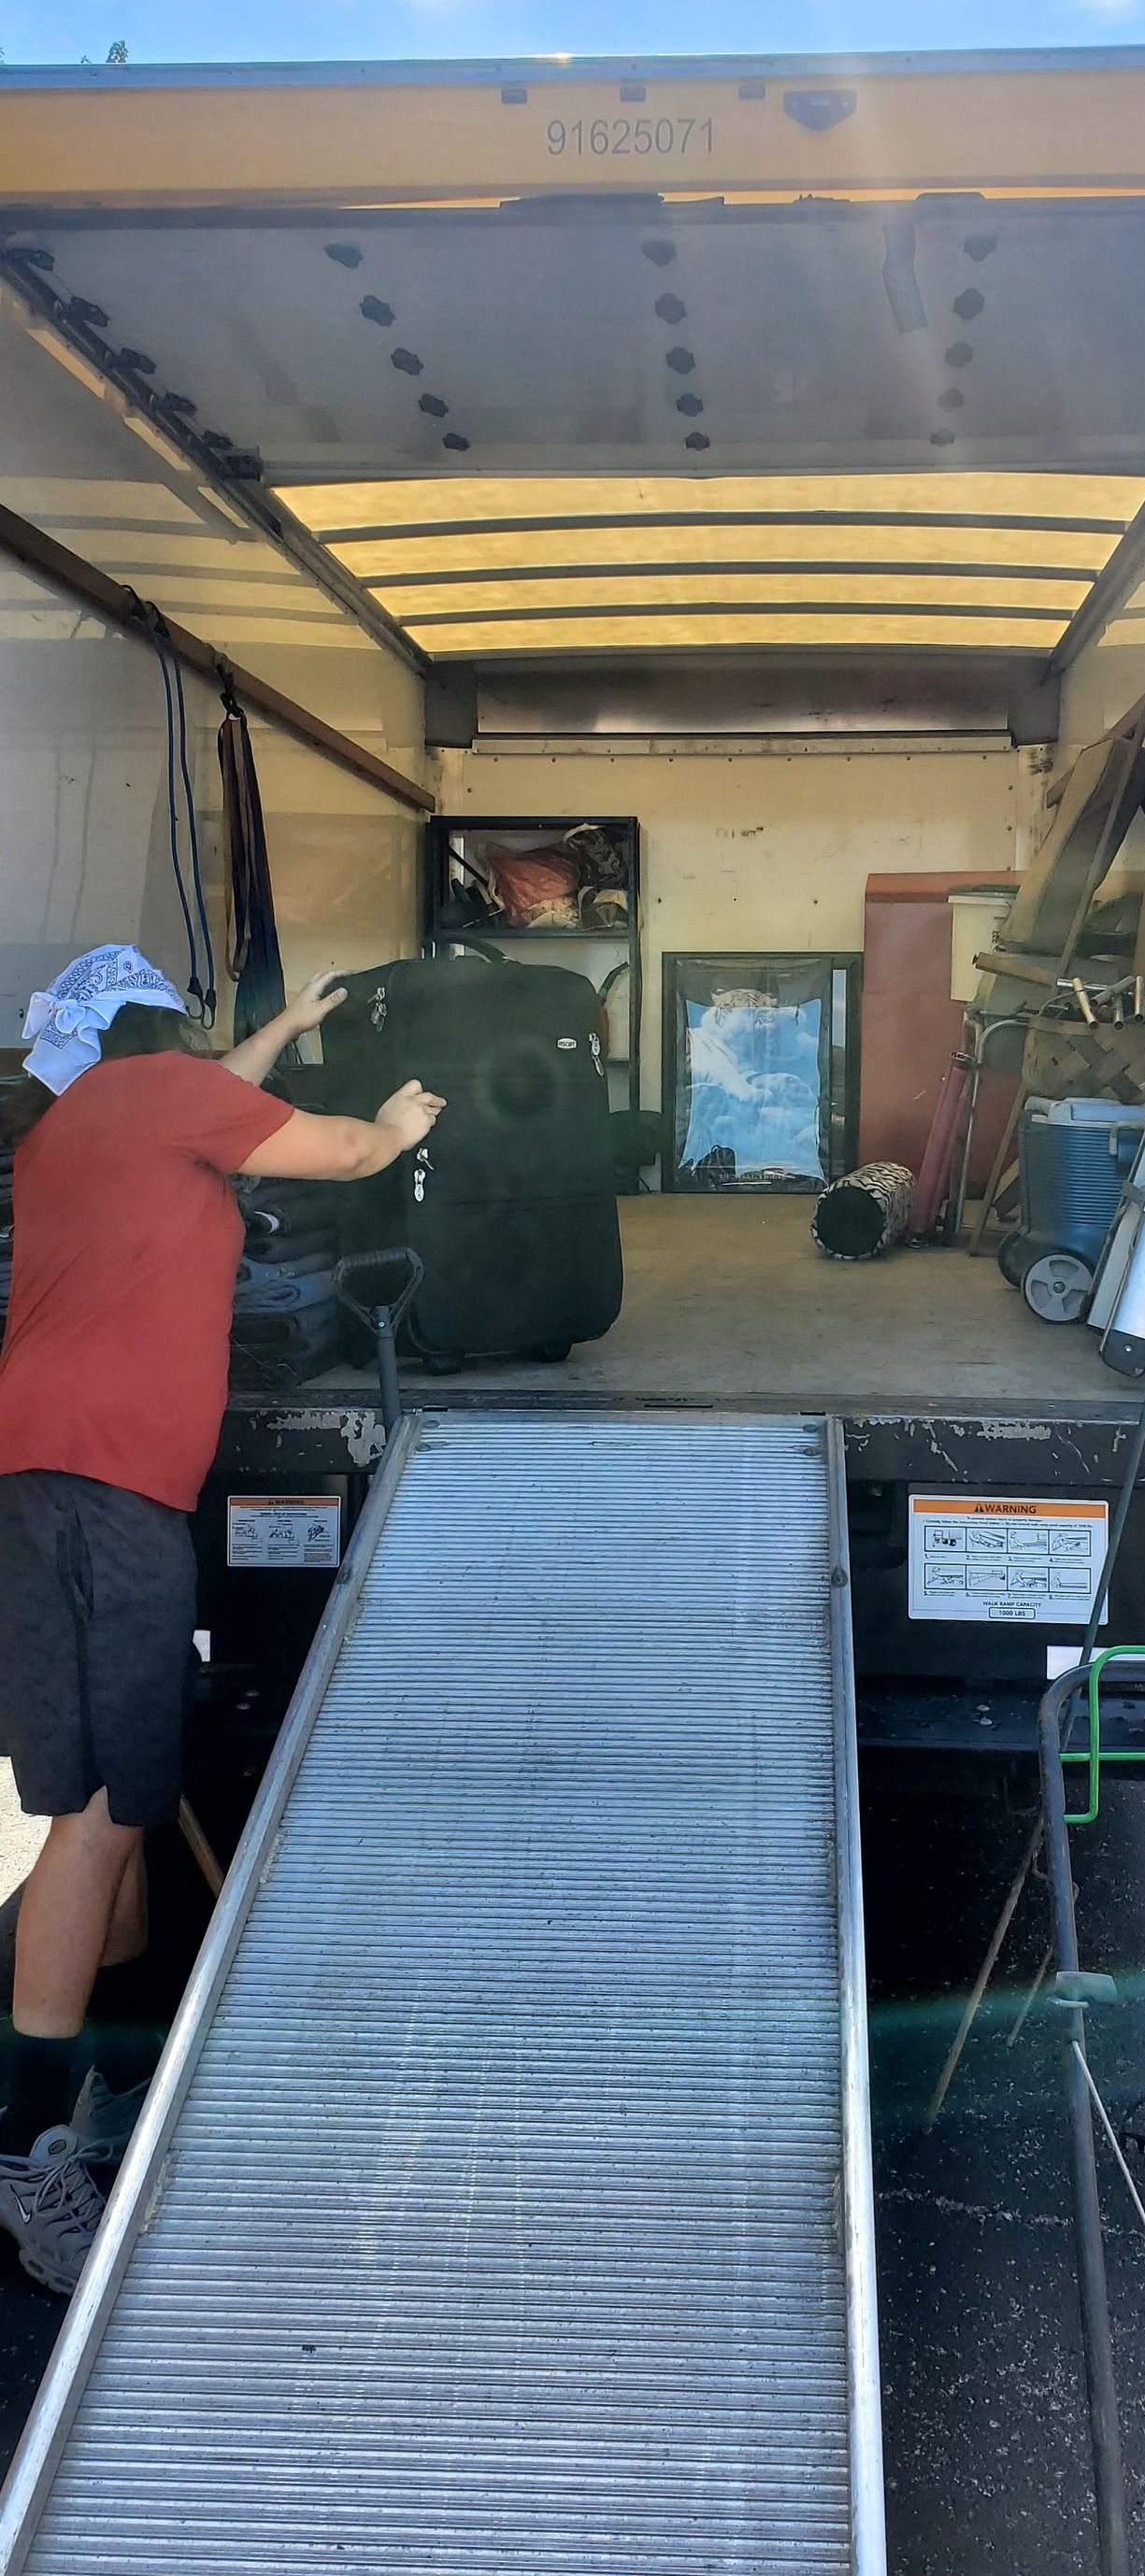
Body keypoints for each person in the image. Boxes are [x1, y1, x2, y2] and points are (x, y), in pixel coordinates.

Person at [0, 945, 443, 2294]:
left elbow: (211, 1104)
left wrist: (283, 1033)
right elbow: (352, 1155)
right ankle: (28, 2156)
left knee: (110, 1794)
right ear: (163, 1034)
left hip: (45, 1485)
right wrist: (405, 1120)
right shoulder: (152, 1099)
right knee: (102, 1814)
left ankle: (90, 2089)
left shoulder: (90, 1117)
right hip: (108, 1497)